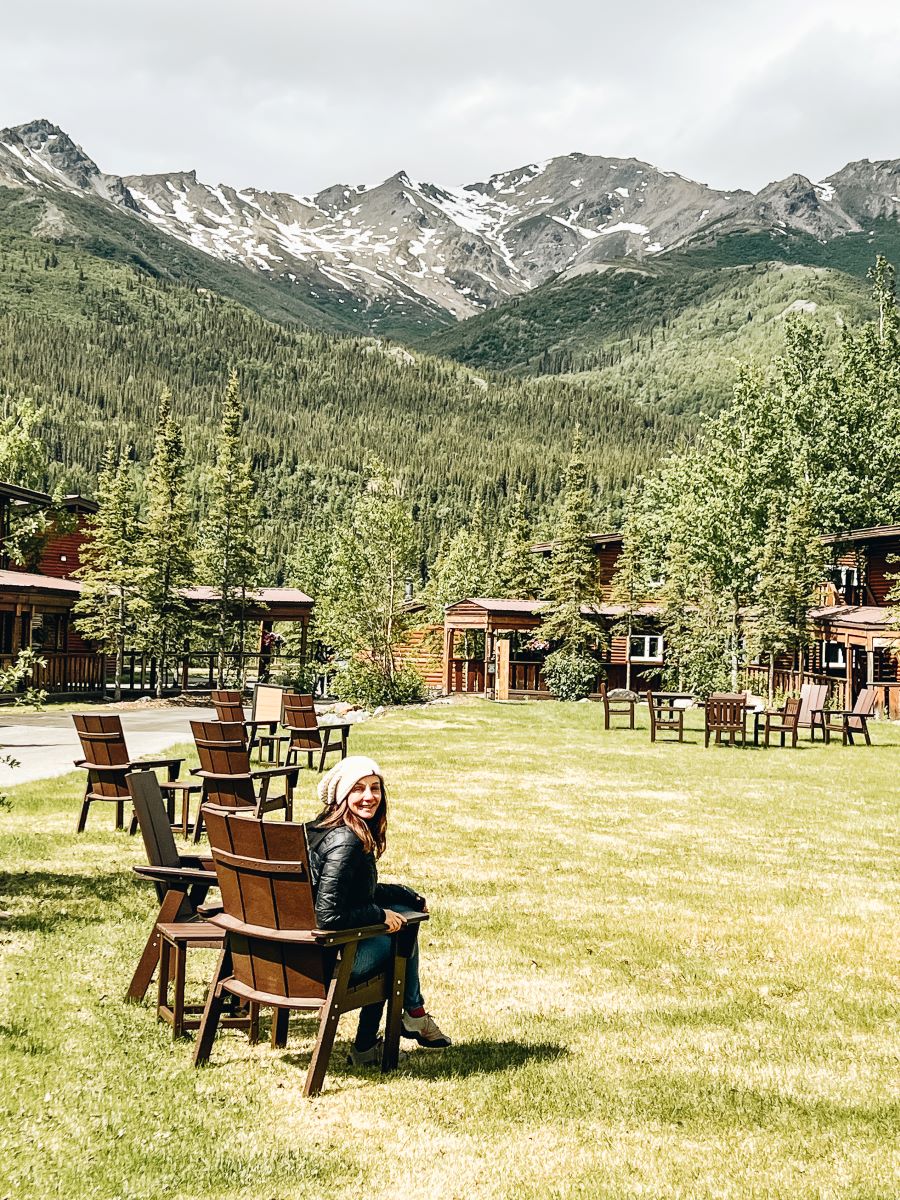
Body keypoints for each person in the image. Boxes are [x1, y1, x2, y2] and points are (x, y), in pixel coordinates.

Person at [306, 755, 451, 1064]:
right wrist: (379, 916)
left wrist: (406, 896)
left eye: (375, 788)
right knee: (402, 940)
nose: (369, 796)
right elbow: (328, 915)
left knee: (403, 913)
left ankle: (403, 1021)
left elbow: (355, 891)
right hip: (327, 959)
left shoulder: (318, 828)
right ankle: (405, 1018)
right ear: (341, 794)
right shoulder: (347, 841)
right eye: (358, 789)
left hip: (299, 950)